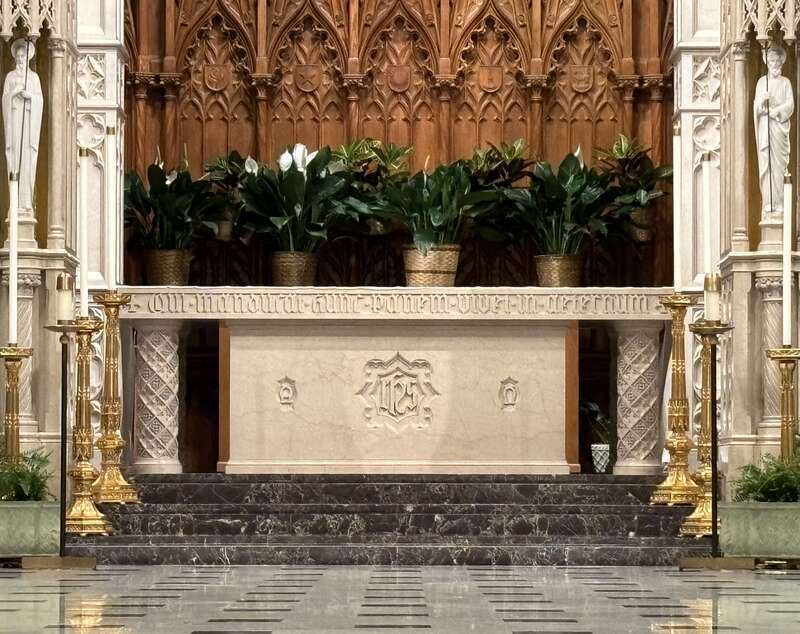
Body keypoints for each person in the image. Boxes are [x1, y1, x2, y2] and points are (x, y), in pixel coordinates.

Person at [2, 39, 43, 211]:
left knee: (27, 160)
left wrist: (30, 97)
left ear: (28, 58)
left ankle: (26, 203)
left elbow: (40, 100)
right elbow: (4, 99)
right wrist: (13, 94)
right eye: (17, 56)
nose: (19, 59)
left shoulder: (34, 77)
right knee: (15, 158)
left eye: (22, 56)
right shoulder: (10, 77)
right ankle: (14, 202)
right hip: (14, 122)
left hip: (28, 125)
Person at [754, 42, 794, 216]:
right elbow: (756, 108)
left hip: (779, 129)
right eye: (772, 61)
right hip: (765, 130)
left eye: (778, 61)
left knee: (779, 166)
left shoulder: (785, 82)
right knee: (766, 166)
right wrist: (762, 102)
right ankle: (768, 202)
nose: (775, 64)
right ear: (767, 62)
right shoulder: (762, 82)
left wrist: (776, 111)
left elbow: (790, 105)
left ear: (782, 62)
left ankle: (780, 203)